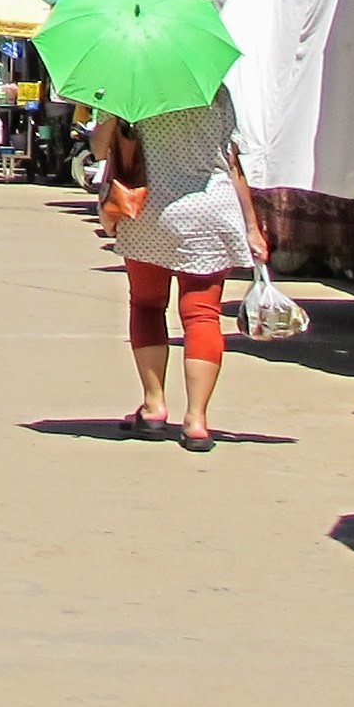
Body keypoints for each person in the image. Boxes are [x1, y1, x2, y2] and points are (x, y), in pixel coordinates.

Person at [93, 81, 268, 451]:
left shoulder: (127, 87)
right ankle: (197, 421)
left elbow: (97, 150)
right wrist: (252, 226)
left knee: (147, 304)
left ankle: (154, 406)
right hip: (210, 208)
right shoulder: (213, 89)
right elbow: (232, 160)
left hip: (150, 211)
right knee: (202, 314)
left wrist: (109, 115)